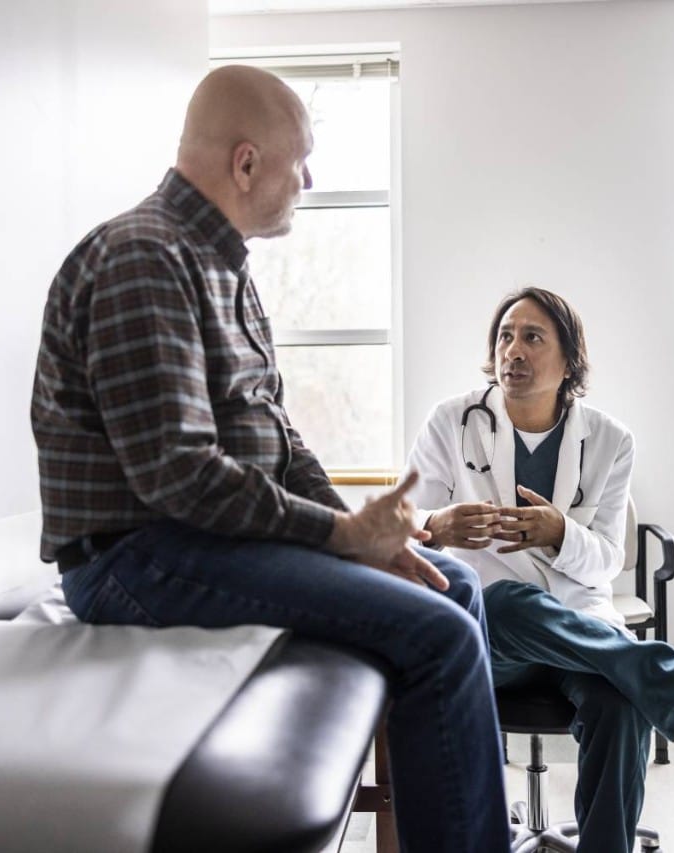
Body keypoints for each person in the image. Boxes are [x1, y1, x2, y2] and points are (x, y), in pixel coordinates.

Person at [30, 65, 509, 853]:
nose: (310, 180)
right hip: (133, 558)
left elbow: (279, 442)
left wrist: (364, 529)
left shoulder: (225, 269)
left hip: (199, 541)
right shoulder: (143, 258)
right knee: (442, 637)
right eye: (301, 159)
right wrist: (340, 537)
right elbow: (179, 474)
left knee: (453, 587)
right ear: (246, 163)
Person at [406, 286, 674, 853]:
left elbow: (608, 557)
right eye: (505, 336)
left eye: (532, 337)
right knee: (501, 599)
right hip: (493, 640)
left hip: (581, 629)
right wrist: (436, 524)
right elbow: (407, 521)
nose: (513, 351)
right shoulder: (451, 422)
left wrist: (559, 533)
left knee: (622, 702)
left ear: (569, 359)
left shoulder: (610, 440)